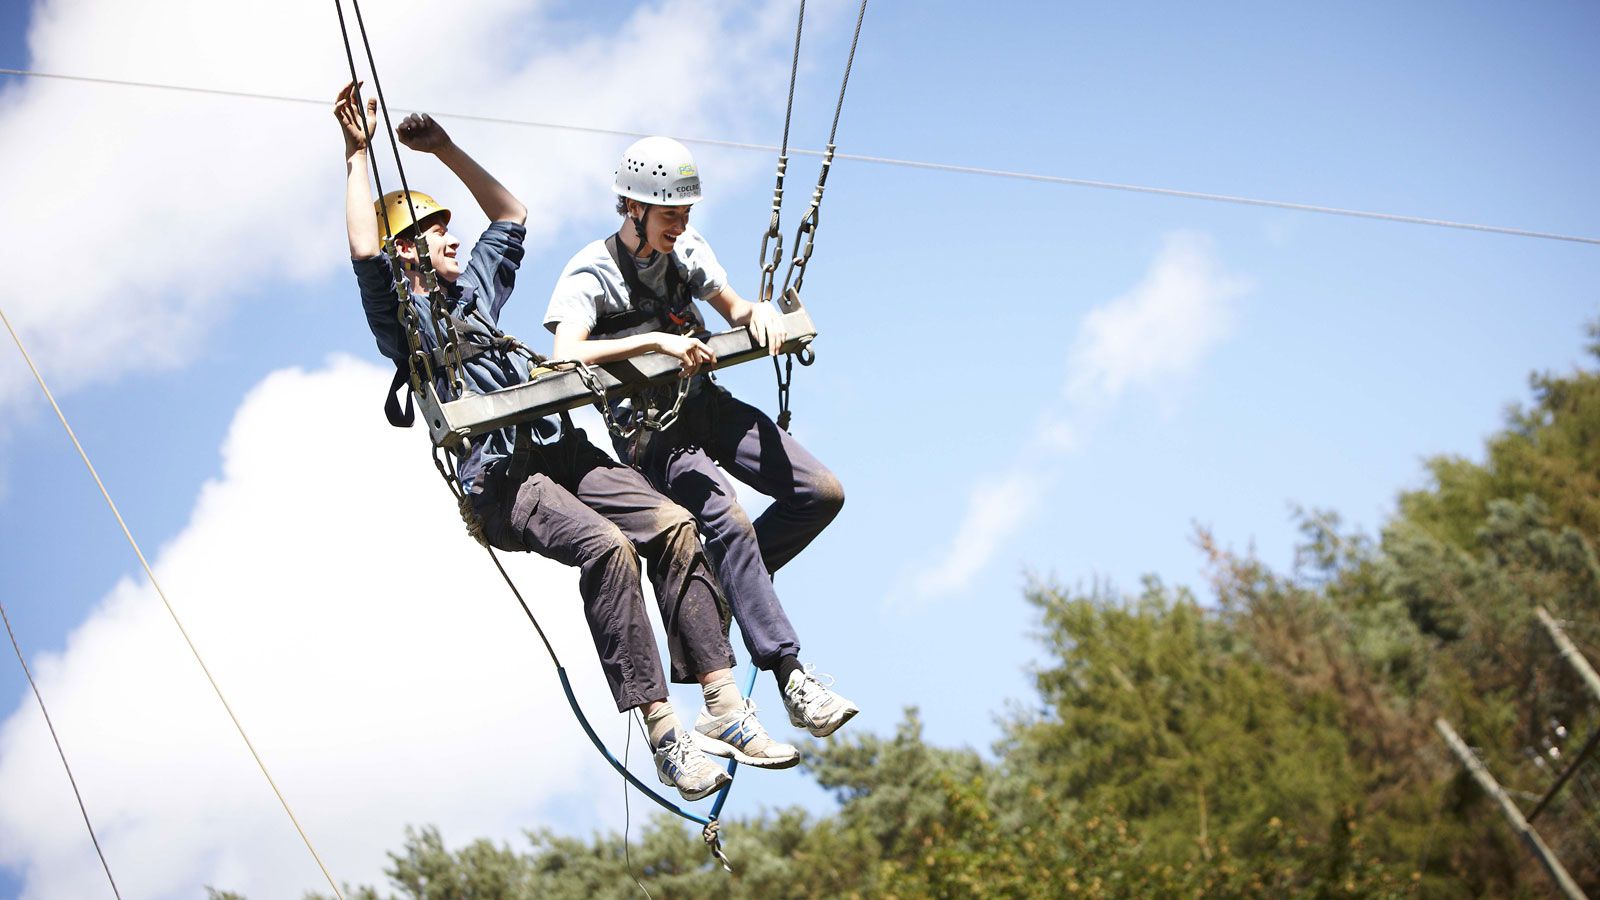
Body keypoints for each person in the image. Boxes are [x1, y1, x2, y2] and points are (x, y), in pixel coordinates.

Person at [335, 84, 796, 800]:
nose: (454, 240)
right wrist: (360, 154)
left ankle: (723, 703)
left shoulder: (474, 297)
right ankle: (664, 733)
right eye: (435, 232)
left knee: (675, 527)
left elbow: (509, 214)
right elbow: (365, 252)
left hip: (561, 453)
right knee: (607, 548)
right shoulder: (405, 318)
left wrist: (445, 148)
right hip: (502, 480)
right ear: (407, 252)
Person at [544, 136, 857, 739]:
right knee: (730, 518)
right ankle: (790, 674)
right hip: (651, 431)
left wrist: (754, 313)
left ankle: (723, 579)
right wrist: (654, 342)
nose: (679, 225)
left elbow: (732, 305)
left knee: (821, 492)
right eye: (669, 215)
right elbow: (566, 352)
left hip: (704, 406)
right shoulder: (593, 270)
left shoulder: (686, 249)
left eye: (685, 213)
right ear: (633, 209)